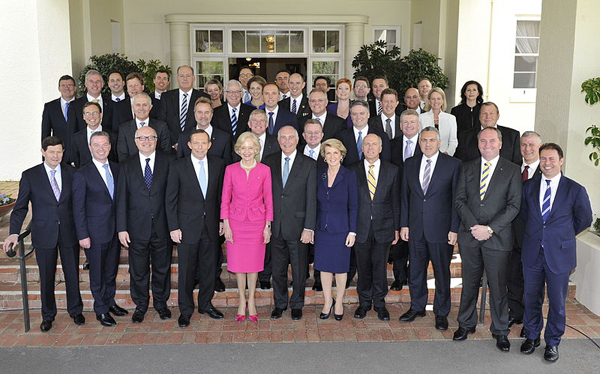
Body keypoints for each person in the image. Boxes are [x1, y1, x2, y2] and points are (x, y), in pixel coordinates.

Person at [519, 143, 592, 362]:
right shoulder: (529, 187)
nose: (547, 163)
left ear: (561, 161)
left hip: (559, 254)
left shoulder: (575, 189)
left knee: (557, 302)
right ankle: (532, 336)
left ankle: (552, 342)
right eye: (543, 159)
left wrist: (561, 236)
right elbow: (524, 215)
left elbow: (584, 220)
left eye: (551, 159)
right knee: (531, 298)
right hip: (532, 253)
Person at [3, 136, 84, 332]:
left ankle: (76, 310)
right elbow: (21, 208)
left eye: (59, 152)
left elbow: (79, 205)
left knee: (72, 273)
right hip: (43, 233)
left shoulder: (73, 173)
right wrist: (14, 233)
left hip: (68, 231)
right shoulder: (30, 175)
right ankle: (48, 315)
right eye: (52, 152)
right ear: (43, 152)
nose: (56, 155)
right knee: (46, 276)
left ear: (63, 152)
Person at [453, 127, 521, 353]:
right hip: (470, 236)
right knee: (469, 284)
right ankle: (466, 324)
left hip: (497, 239)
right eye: (483, 141)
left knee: (499, 287)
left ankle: (500, 330)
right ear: (478, 143)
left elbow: (513, 206)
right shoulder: (467, 167)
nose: (487, 144)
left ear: (500, 144)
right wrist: (474, 227)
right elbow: (460, 200)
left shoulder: (512, 170)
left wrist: (490, 229)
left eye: (492, 140)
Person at [399, 127, 461, 330]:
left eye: (431, 140)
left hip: (441, 230)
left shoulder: (452, 165)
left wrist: (454, 228)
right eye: (424, 140)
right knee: (416, 271)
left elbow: (456, 200)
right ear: (419, 142)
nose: (427, 143)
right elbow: (405, 197)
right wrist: (404, 224)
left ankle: (441, 312)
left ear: (439, 142)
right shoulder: (410, 164)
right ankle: (417, 306)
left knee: (442, 273)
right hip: (416, 228)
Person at [166, 129, 226, 328]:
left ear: (209, 145)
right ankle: (185, 310)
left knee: (209, 269)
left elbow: (220, 197)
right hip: (186, 227)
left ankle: (206, 304)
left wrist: (221, 221)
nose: (200, 147)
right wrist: (174, 227)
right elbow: (171, 200)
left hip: (211, 226)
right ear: (189, 145)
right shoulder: (177, 167)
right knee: (187, 272)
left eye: (204, 143)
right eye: (196, 143)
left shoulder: (218, 164)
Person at [116, 126, 174, 323]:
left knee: (162, 268)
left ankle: (160, 303)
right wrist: (122, 228)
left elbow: (173, 196)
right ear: (135, 141)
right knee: (138, 270)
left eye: (150, 137)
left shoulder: (169, 161)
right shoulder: (126, 165)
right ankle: (140, 305)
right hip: (136, 228)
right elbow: (121, 199)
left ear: (156, 140)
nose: (146, 141)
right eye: (142, 138)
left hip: (162, 226)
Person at [72, 131, 127, 326]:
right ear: (90, 148)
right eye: (97, 145)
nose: (101, 149)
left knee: (111, 270)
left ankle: (110, 301)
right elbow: (77, 208)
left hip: (115, 231)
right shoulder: (82, 173)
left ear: (110, 146)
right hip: (94, 233)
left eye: (105, 145)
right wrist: (82, 234)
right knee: (97, 273)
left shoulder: (118, 169)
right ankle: (101, 309)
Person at [264, 126, 317, 321]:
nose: (286, 141)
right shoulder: (268, 162)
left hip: (299, 227)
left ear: (297, 140)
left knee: (299, 268)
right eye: (283, 138)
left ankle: (297, 304)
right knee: (277, 270)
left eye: (290, 138)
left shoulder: (309, 164)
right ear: (278, 140)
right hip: (276, 226)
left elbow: (311, 199)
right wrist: (266, 225)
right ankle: (279, 304)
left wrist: (309, 227)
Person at [221, 132, 274, 322]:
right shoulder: (231, 169)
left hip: (257, 223)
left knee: (253, 265)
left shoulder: (265, 170)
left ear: (256, 150)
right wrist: (225, 224)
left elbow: (268, 198)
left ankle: (251, 300)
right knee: (238, 265)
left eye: (250, 147)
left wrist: (267, 226)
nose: (247, 151)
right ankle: (240, 300)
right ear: (238, 150)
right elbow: (225, 199)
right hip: (235, 222)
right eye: (243, 147)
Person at [349, 133, 400, 321]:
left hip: (384, 226)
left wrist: (396, 227)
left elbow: (396, 201)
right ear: (362, 148)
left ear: (381, 148)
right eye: (367, 144)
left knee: (379, 267)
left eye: (374, 144)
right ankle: (364, 303)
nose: (370, 148)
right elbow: (349, 202)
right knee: (363, 268)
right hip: (360, 227)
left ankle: (379, 304)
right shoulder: (351, 170)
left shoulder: (392, 170)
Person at [314, 138, 357, 321]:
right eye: (328, 153)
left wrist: (352, 231)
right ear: (324, 156)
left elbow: (354, 206)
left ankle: (338, 301)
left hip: (342, 229)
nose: (332, 156)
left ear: (341, 155)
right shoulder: (319, 175)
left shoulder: (349, 176)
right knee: (324, 268)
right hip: (322, 229)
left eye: (335, 153)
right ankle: (327, 301)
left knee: (340, 269)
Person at [508, 131, 543, 335]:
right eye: (523, 145)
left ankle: (531, 320)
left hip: (534, 238)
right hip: (511, 235)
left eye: (531, 145)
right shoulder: (513, 170)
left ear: (539, 146)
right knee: (512, 277)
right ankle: (516, 312)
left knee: (533, 282)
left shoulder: (547, 171)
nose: (527, 149)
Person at [389, 109, 423, 290]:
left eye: (412, 123)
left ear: (418, 125)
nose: (409, 126)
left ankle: (414, 275)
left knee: (416, 241)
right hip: (396, 198)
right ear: (400, 125)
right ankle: (399, 276)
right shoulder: (391, 144)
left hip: (419, 199)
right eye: (405, 123)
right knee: (399, 242)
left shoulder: (426, 144)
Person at [158, 65, 209, 148]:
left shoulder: (203, 97)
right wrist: (174, 143)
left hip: (195, 146)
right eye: (181, 76)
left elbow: (204, 123)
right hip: (171, 146)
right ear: (177, 78)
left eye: (188, 76)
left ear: (193, 78)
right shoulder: (166, 97)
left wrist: (189, 142)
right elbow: (162, 122)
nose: (185, 79)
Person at [455, 102, 521, 165]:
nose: (488, 116)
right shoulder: (465, 136)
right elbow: (461, 163)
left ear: (498, 116)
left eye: (491, 113)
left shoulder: (513, 136)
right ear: (479, 116)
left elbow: (517, 163)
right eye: (484, 113)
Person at [176, 97, 232, 166]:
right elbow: (179, 165)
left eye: (207, 112)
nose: (203, 116)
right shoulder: (184, 137)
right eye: (199, 112)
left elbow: (227, 166)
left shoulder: (224, 138)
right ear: (194, 114)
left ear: (212, 114)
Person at [117, 92, 170, 162]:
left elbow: (166, 152)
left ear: (150, 107)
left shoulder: (161, 126)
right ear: (132, 107)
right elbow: (122, 155)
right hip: (132, 170)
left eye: (145, 105)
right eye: (138, 105)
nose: (141, 108)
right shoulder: (124, 129)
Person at [337, 100, 390, 166]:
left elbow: (385, 162)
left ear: (368, 115)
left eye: (362, 113)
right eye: (354, 114)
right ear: (350, 116)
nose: (358, 117)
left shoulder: (382, 136)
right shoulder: (341, 137)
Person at [41, 75, 78, 164]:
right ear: (59, 88)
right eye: (63, 85)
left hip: (78, 153)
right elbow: (45, 132)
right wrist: (45, 156)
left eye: (70, 85)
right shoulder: (50, 107)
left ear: (75, 88)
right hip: (58, 154)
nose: (67, 88)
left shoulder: (83, 105)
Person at [71, 69, 117, 134]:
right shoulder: (74, 105)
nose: (94, 84)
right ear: (86, 84)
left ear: (102, 84)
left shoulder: (112, 104)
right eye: (91, 81)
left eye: (97, 81)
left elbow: (115, 130)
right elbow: (72, 132)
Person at [71, 101, 115, 168]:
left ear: (101, 115)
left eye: (95, 113)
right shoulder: (76, 138)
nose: (91, 116)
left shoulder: (113, 136)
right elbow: (76, 162)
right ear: (84, 116)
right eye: (88, 113)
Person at [419, 87, 458, 156]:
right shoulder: (421, 118)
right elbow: (420, 139)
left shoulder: (451, 118)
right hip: (426, 156)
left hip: (445, 157)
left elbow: (453, 141)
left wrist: (447, 153)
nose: (436, 101)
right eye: (433, 99)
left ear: (443, 101)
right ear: (429, 101)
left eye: (438, 98)